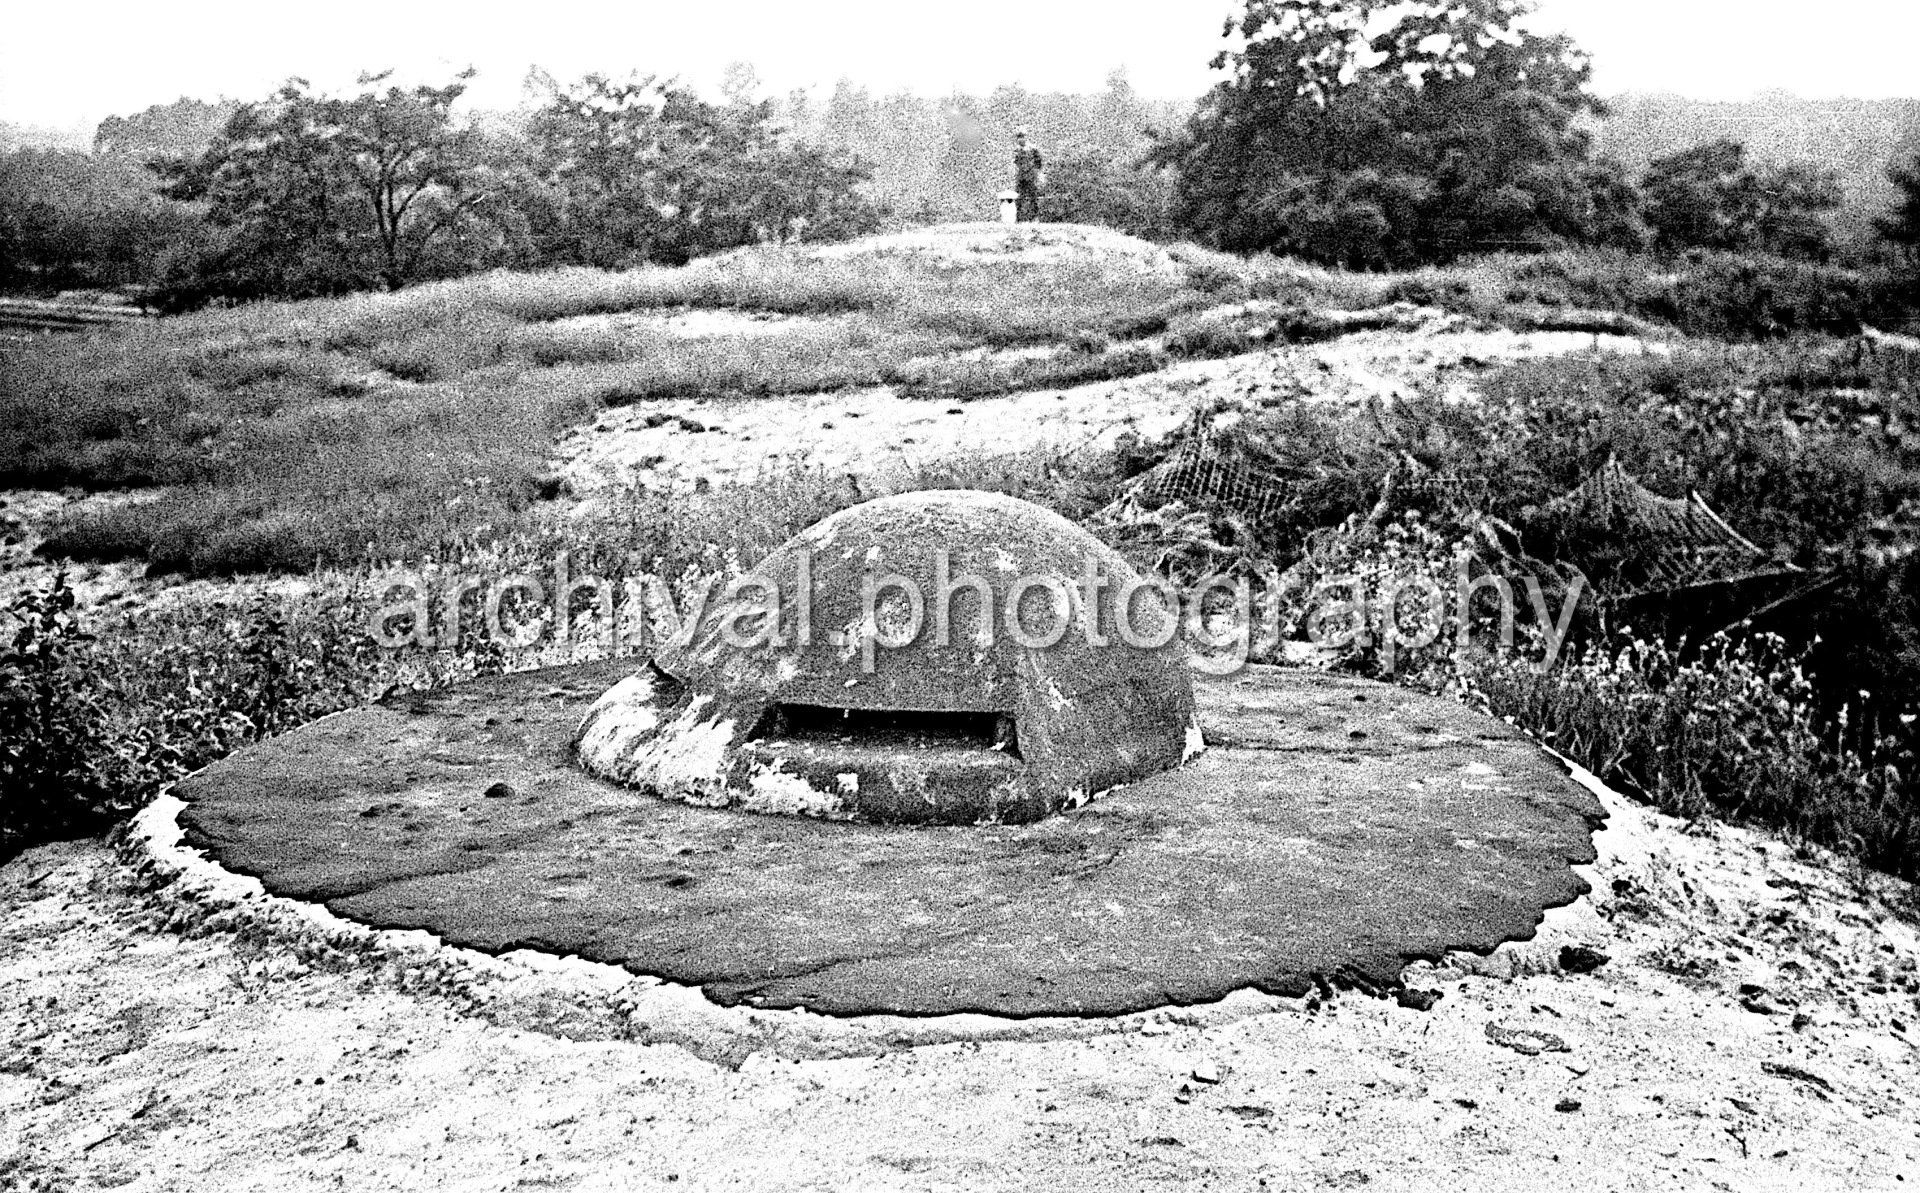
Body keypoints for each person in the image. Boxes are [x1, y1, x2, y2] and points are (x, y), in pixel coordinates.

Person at [1012, 127, 1044, 222]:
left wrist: (1037, 173)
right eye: (1019, 137)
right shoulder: (1017, 151)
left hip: (1031, 176)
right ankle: (1019, 218)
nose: (1020, 139)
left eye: (1022, 136)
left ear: (1026, 137)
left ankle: (1035, 217)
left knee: (1033, 196)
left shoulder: (1033, 149)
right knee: (1019, 197)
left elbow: (1039, 162)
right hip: (1021, 177)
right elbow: (1015, 163)